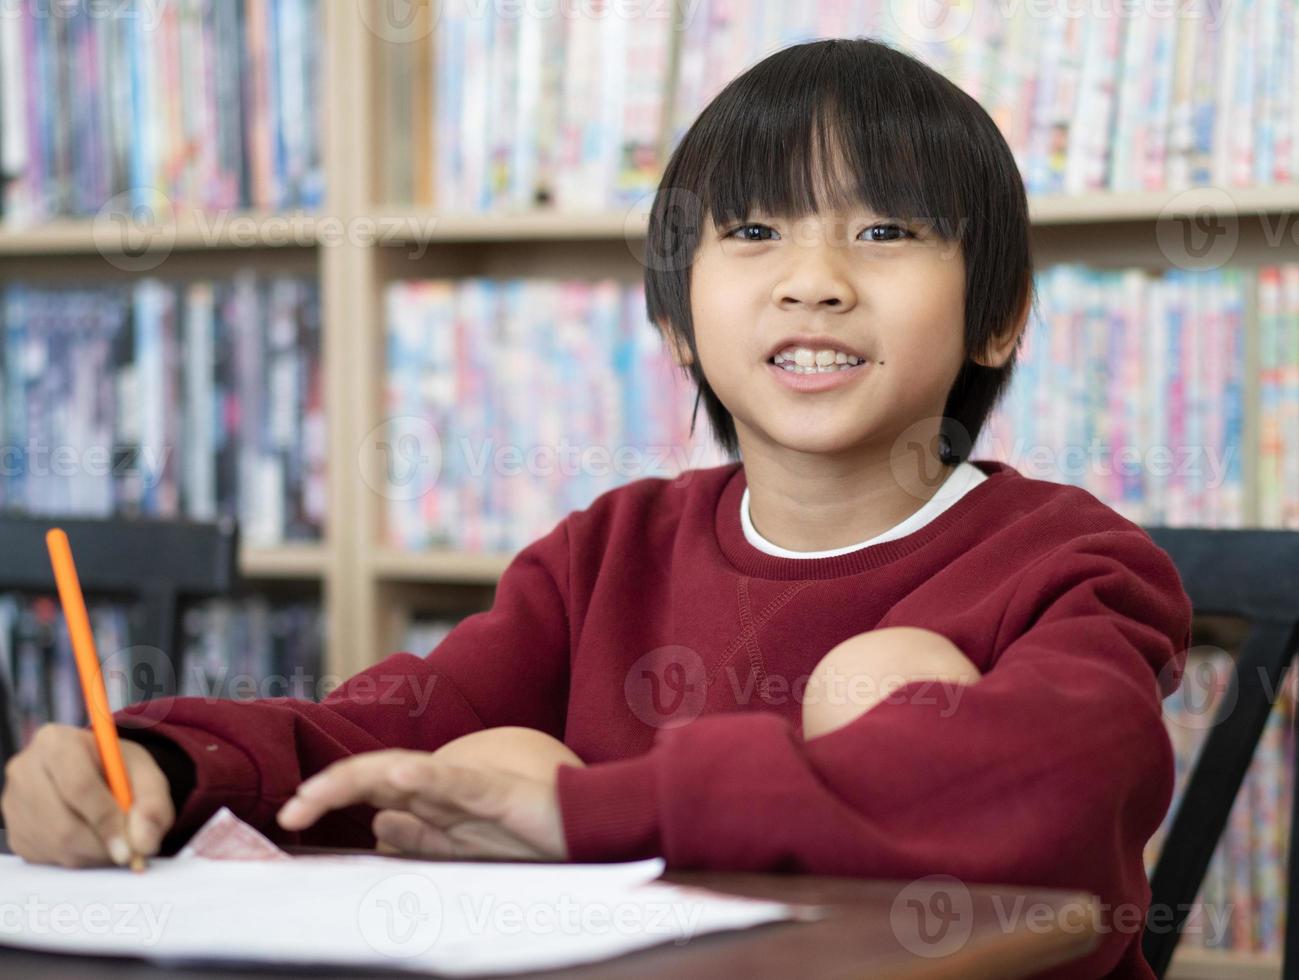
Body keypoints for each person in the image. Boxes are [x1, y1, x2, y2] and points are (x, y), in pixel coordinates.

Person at [2, 38, 1192, 979]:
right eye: (754, 232)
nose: (815, 278)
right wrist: (161, 763)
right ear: (676, 320)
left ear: (999, 314)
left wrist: (585, 810)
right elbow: (377, 737)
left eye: (884, 231)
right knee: (482, 748)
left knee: (885, 681)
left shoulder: (1075, 562)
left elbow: (1050, 793)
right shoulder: (607, 553)